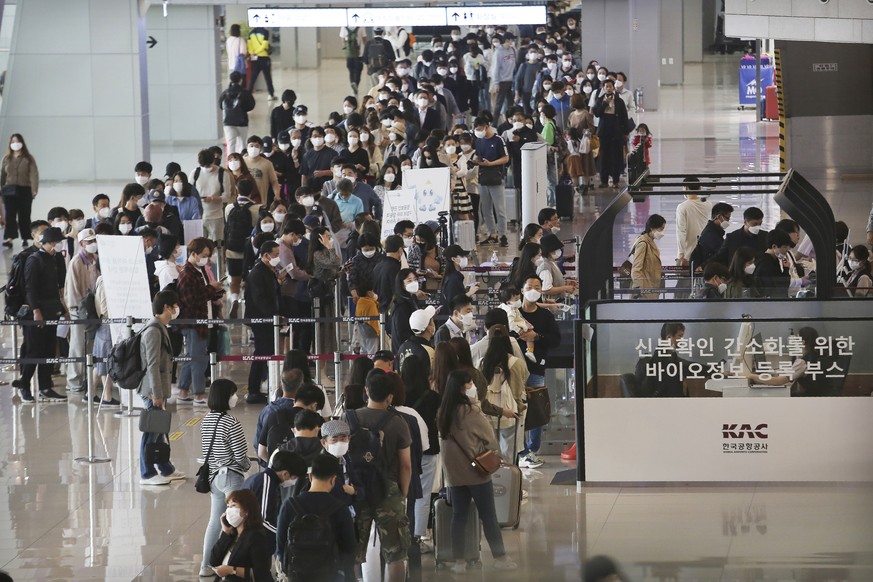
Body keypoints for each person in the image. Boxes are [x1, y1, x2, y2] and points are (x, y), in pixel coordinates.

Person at [437, 369, 518, 573]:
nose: (473, 386)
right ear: (462, 388)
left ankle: (459, 563)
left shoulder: (443, 413)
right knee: (489, 516)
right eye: (469, 383)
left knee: (459, 517)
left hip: (454, 475)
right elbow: (490, 440)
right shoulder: (471, 412)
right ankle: (500, 558)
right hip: (476, 474)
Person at [345, 372, 412, 582]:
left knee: (353, 552)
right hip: (388, 490)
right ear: (390, 397)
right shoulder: (398, 422)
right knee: (396, 554)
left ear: (366, 391)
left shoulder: (348, 418)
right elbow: (406, 465)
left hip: (355, 490)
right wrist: (403, 492)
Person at [198, 379, 252, 578]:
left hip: (214, 478)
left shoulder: (206, 420)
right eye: (233, 394)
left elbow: (206, 452)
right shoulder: (231, 422)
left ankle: (205, 566)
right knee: (239, 521)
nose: (236, 397)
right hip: (231, 477)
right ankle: (235, 566)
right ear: (225, 397)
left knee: (215, 522)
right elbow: (240, 456)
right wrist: (248, 466)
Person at [276, 454, 357, 582]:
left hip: (297, 575)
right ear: (333, 479)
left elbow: (280, 546)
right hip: (331, 575)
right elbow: (349, 548)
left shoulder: (290, 505)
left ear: (310, 477)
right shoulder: (340, 509)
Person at [138, 290, 185, 485]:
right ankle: (147, 473)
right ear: (166, 307)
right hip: (151, 390)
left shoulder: (161, 327)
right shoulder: (153, 331)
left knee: (159, 431)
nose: (176, 309)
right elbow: (152, 365)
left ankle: (165, 468)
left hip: (157, 389)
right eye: (174, 306)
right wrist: (156, 394)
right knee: (152, 432)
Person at [19, 227, 68, 402]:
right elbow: (30, 289)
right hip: (37, 312)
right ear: (50, 242)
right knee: (34, 351)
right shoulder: (34, 260)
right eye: (56, 241)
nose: (58, 244)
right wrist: (36, 311)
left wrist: (64, 309)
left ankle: (46, 386)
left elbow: (58, 287)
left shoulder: (56, 259)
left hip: (52, 310)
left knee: (48, 350)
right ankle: (24, 385)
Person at [517, 275, 560, 468]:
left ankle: (532, 450)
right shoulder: (513, 313)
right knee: (516, 409)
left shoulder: (545, 316)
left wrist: (537, 336)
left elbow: (555, 340)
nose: (533, 289)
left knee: (536, 409)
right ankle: (519, 450)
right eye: (529, 286)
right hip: (514, 370)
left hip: (536, 368)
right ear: (522, 290)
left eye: (537, 286)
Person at [176, 237, 222, 405]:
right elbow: (192, 299)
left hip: (202, 321)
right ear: (193, 254)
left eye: (208, 256)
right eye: (203, 255)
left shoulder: (198, 270)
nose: (206, 259)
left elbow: (203, 293)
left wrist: (215, 291)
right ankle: (199, 394)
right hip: (194, 323)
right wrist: (211, 289)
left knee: (192, 357)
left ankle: (182, 390)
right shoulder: (187, 273)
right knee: (198, 359)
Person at [242, 449, 307, 551]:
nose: (294, 482)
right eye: (294, 477)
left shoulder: (262, 478)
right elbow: (262, 520)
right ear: (285, 474)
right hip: (253, 542)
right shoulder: (266, 482)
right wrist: (283, 533)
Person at [245, 240, 284, 403]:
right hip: (261, 319)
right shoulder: (258, 272)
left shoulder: (268, 270)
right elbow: (260, 298)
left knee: (264, 352)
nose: (278, 257)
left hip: (268, 319)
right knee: (261, 353)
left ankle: (258, 387)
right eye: (275, 255)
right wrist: (273, 315)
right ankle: (253, 389)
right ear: (266, 255)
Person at [61, 228, 99, 395]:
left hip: (93, 308)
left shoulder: (96, 260)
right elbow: (73, 289)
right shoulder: (77, 262)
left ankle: (86, 378)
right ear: (81, 243)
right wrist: (76, 309)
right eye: (89, 242)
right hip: (79, 309)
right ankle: (73, 380)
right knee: (77, 345)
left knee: (89, 345)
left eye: (94, 241)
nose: (92, 244)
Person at [207, 488, 273, 582]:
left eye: (233, 506)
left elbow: (261, 573)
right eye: (228, 506)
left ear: (246, 511)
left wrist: (232, 570)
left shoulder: (256, 537)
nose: (229, 511)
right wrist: (225, 533)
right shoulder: (232, 534)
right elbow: (213, 561)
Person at [259, 381, 326, 463]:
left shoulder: (273, 416)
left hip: (278, 471)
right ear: (314, 405)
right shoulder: (317, 420)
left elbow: (261, 452)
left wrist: (276, 467)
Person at [473, 117, 510, 247]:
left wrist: (491, 164)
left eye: (480, 129)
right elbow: (478, 155)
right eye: (476, 129)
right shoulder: (478, 141)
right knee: (486, 209)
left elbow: (506, 158)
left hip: (496, 176)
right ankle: (492, 234)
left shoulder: (498, 140)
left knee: (500, 208)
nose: (478, 131)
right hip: (483, 177)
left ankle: (503, 234)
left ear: (487, 126)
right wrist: (476, 160)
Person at [2, 134, 39, 248]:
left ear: (22, 142)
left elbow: (34, 174)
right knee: (10, 215)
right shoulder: (6, 158)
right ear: (10, 143)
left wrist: (34, 189)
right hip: (9, 190)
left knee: (24, 215)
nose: (15, 143)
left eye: (17, 141)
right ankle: (10, 239)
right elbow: (2, 175)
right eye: (13, 141)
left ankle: (25, 238)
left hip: (25, 190)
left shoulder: (28, 158)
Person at [254, 368, 303, 456]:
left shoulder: (267, 410)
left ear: (281, 384)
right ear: (301, 386)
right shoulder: (303, 414)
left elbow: (259, 447)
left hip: (272, 464)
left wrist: (272, 465)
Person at [592, 79, 629, 188]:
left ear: (613, 87)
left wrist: (625, 132)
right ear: (603, 88)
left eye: (610, 86)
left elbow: (624, 117)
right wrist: (604, 104)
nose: (608, 88)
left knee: (616, 156)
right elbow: (597, 113)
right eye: (606, 86)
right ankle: (604, 180)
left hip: (616, 131)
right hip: (604, 131)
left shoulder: (619, 100)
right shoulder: (600, 99)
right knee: (604, 156)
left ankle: (616, 180)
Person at [675, 177, 712, 269]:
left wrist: (681, 254)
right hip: (705, 251)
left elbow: (681, 232)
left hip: (688, 254)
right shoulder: (708, 204)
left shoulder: (682, 207)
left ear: (686, 188)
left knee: (685, 282)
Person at [688, 202, 734, 271]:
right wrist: (703, 266)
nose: (728, 221)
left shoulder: (715, 231)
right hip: (710, 271)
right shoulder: (710, 234)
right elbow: (721, 253)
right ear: (719, 217)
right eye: (727, 218)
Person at [220, 71, 256, 155]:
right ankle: (242, 163)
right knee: (242, 144)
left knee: (231, 144)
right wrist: (243, 109)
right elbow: (251, 105)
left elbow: (221, 106)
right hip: (242, 121)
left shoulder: (225, 93)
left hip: (228, 122)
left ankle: (231, 163)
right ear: (241, 80)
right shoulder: (245, 92)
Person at [630, 214, 666, 299]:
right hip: (644, 292)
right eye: (661, 229)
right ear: (652, 228)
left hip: (651, 288)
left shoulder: (650, 243)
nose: (662, 232)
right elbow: (636, 268)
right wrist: (638, 290)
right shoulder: (643, 244)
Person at [390, 269, 424, 352]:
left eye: (415, 279)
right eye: (409, 281)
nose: (414, 283)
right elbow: (402, 331)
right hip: (405, 348)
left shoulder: (412, 299)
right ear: (402, 284)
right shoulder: (401, 304)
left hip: (413, 344)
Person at [397, 306, 436, 377]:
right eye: (432, 321)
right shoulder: (428, 351)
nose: (434, 323)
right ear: (429, 328)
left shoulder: (402, 347)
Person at [754, 229, 794, 298]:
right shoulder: (765, 264)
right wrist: (786, 270)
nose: (787, 250)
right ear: (774, 246)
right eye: (784, 247)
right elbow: (779, 289)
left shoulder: (773, 260)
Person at [244, 136, 282, 207]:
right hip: (243, 204)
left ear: (260, 148)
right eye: (251, 146)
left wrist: (277, 195)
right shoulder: (241, 162)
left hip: (261, 204)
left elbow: (274, 182)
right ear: (247, 147)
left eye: (256, 146)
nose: (253, 148)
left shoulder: (267, 164)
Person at [440, 244, 480, 310]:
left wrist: (465, 290)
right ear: (453, 259)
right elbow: (453, 302)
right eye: (462, 256)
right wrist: (469, 293)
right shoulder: (453, 279)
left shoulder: (455, 276)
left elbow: (457, 294)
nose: (465, 258)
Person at [246, 26, 276, 100]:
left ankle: (248, 95)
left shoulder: (251, 33)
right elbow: (265, 44)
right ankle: (271, 94)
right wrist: (257, 51)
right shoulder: (265, 32)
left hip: (254, 58)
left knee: (253, 78)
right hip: (264, 57)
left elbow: (249, 45)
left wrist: (253, 52)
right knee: (267, 77)